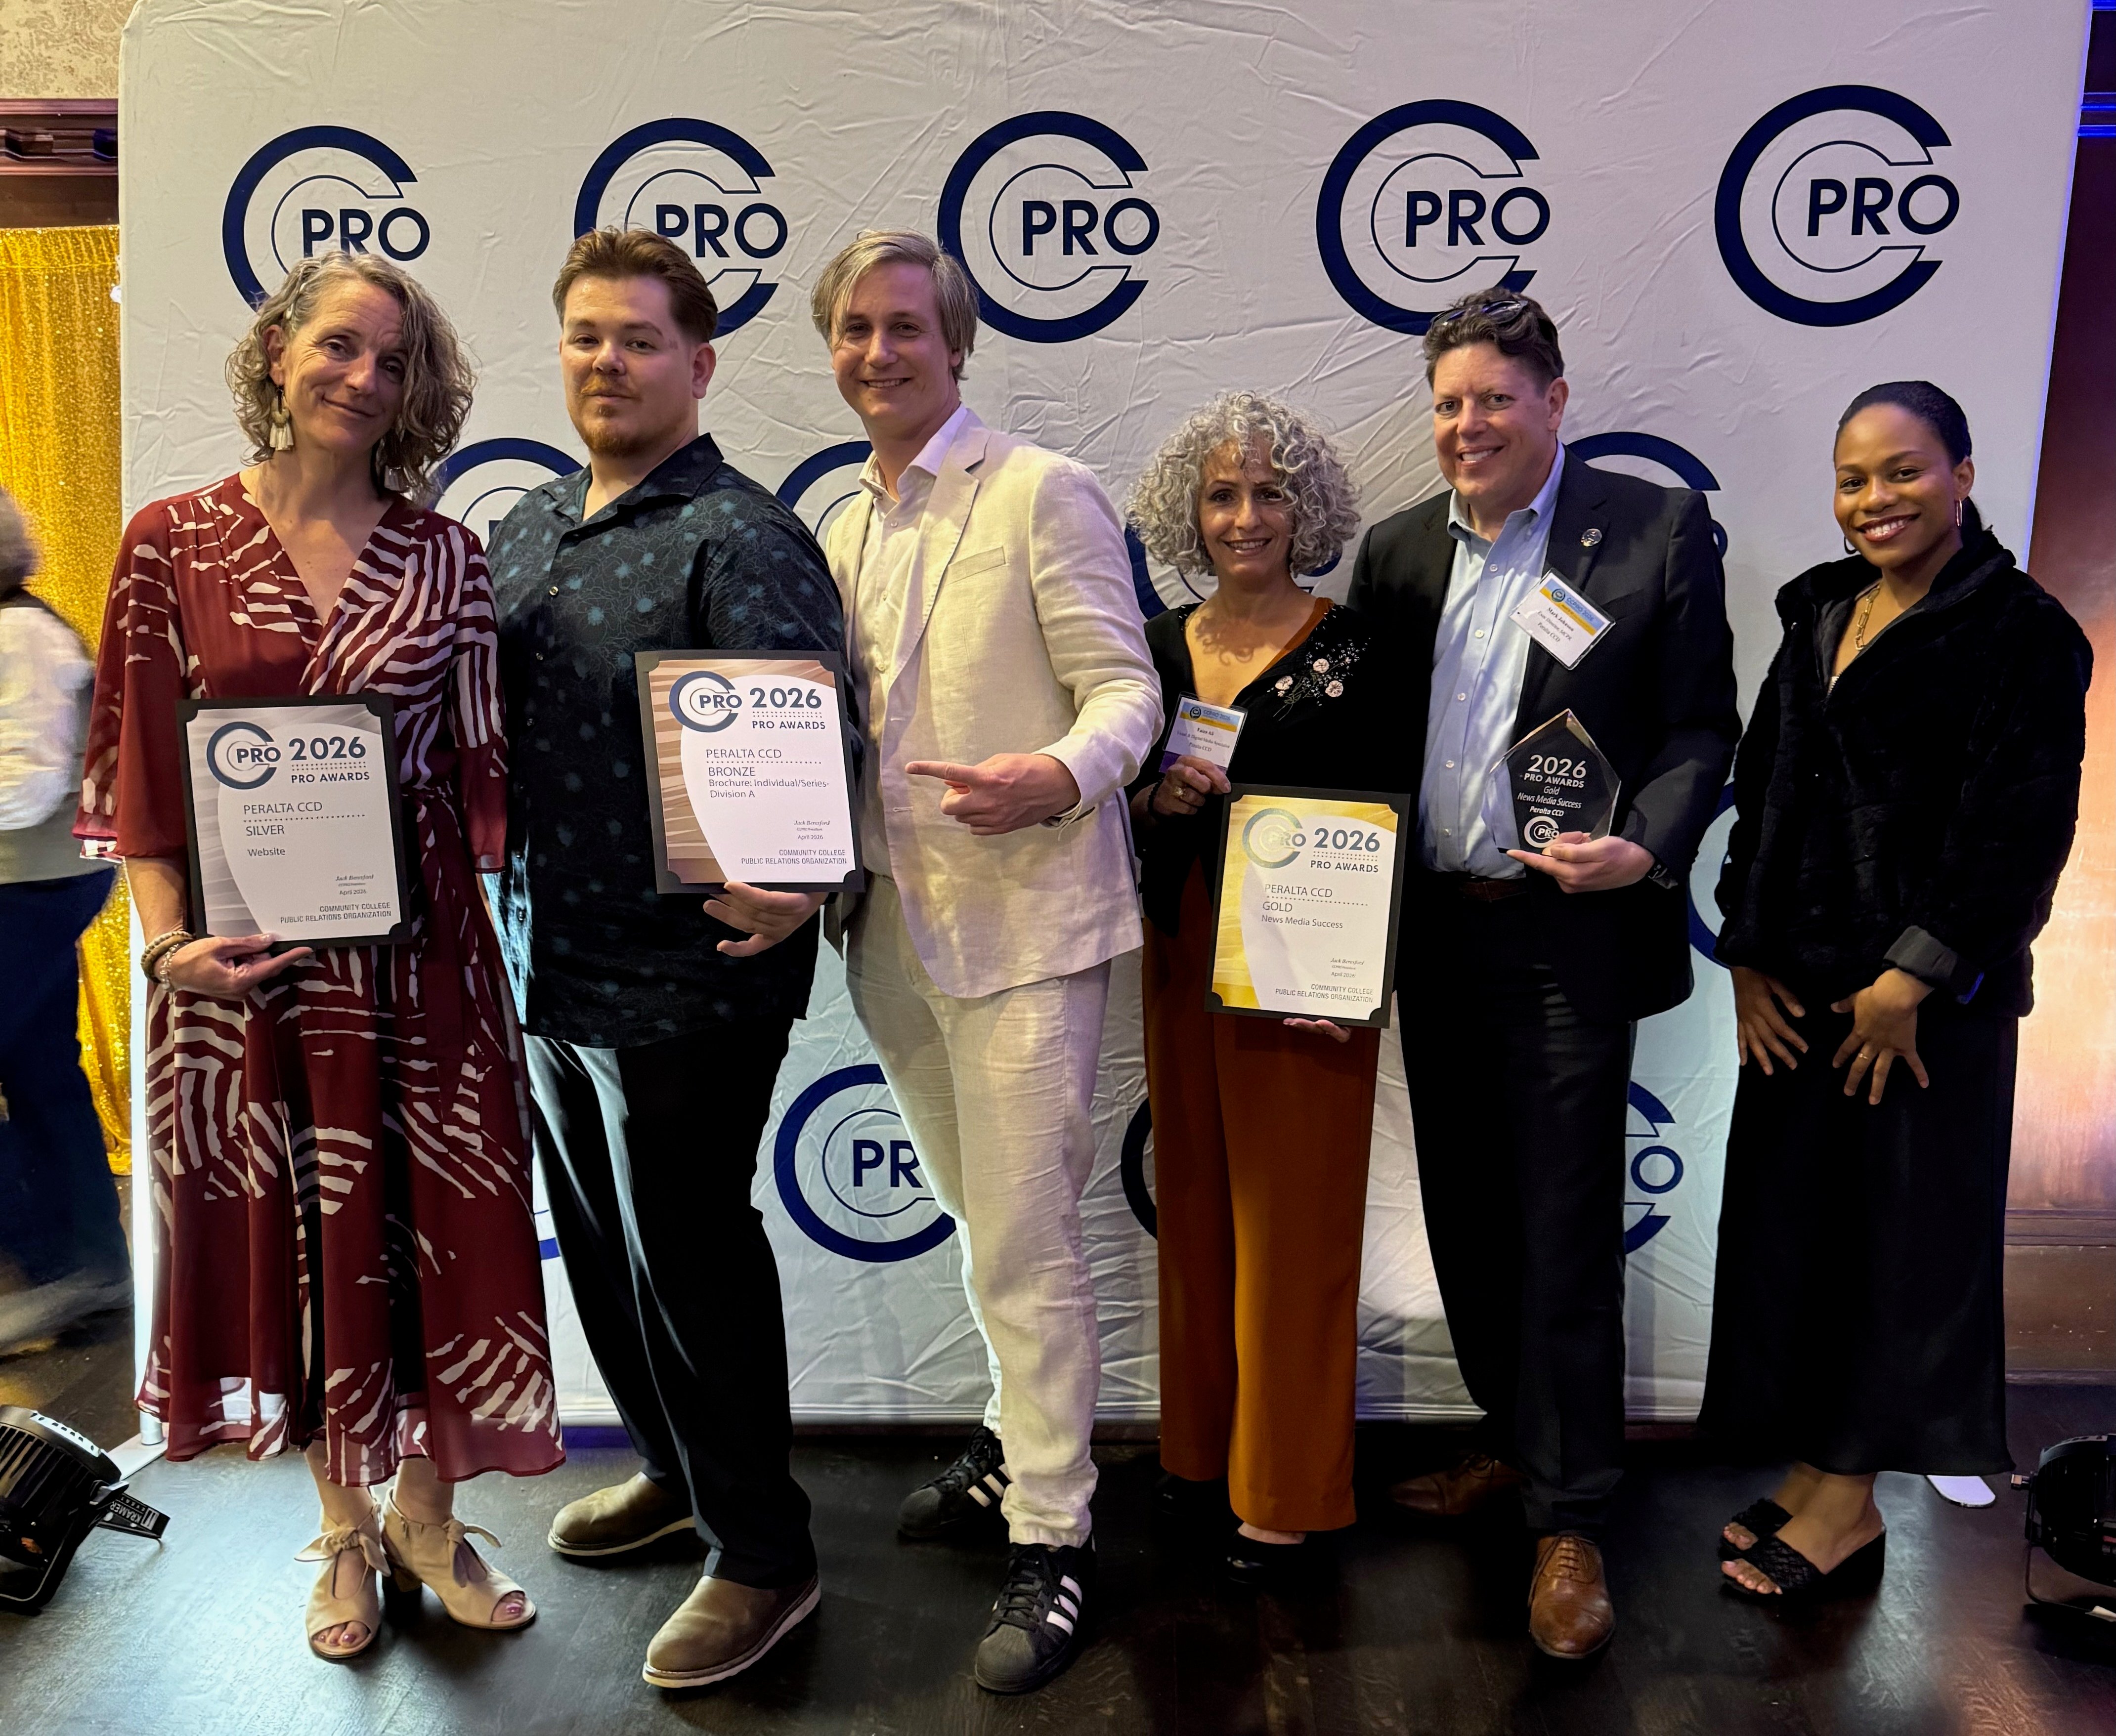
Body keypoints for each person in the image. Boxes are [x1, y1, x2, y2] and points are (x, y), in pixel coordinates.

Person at [73, 252, 560, 1661]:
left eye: (394, 362)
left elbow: (481, 776)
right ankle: (343, 1532)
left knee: (442, 1237)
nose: (363, 377)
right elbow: (137, 777)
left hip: (424, 969)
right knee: (299, 1242)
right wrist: (167, 948)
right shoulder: (170, 541)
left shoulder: (448, 554)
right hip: (243, 981)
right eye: (340, 345)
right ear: (278, 349)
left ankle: (430, 1519)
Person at [1344, 287, 1739, 1658]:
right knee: (1466, 1213)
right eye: (1448, 403)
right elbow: (1365, 741)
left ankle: (1572, 1518)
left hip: (1568, 931)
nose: (1467, 424)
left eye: (1494, 399)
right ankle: (1513, 1442)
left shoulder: (1650, 528)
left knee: (1564, 1223)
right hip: (1436, 933)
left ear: (1554, 402)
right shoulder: (1396, 550)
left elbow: (1700, 727)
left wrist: (1648, 845)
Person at [486, 228, 843, 1691]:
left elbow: (810, 733)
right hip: (545, 961)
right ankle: (677, 1471)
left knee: (691, 1251)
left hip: (691, 972)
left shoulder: (741, 536)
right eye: (587, 336)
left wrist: (801, 876)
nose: (608, 362)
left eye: (638, 340)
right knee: (603, 1249)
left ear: (697, 364)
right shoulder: (521, 525)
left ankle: (763, 1552)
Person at [809, 229, 1160, 1694]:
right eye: (854, 328)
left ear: (955, 345)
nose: (878, 351)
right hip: (888, 929)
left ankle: (1054, 1529)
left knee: (1025, 1241)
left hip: (1022, 925)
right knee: (979, 1223)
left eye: (905, 326)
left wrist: (1059, 775)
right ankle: (1022, 1443)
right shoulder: (838, 522)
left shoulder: (1041, 490)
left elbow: (1128, 690)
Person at [1704, 382, 2090, 1600]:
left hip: (1923, 1014)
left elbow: (2017, 832)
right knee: (1800, 1239)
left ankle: (1847, 1505)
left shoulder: (2022, 632)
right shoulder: (1821, 607)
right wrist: (1745, 951)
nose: (1874, 498)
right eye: (1853, 478)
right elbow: (1763, 787)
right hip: (1798, 987)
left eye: (1903, 471)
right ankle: (1816, 1466)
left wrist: (1910, 974)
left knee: (1897, 1250)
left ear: (1961, 475)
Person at [1124, 393, 1396, 1586]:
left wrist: (1352, 978)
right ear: (1189, 512)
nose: (1245, 516)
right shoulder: (1147, 643)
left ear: (1307, 509)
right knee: (1191, 1205)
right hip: (1181, 946)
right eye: (1222, 494)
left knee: (1294, 1227)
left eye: (1270, 492)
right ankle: (1199, 1453)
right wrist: (1154, 800)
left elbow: (1389, 817)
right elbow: (1117, 808)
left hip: (1306, 973)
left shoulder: (1359, 649)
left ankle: (1284, 1489)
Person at [0, 487, 128, 1355]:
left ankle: (47, 1268)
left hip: (30, 879)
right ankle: (86, 1270)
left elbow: (26, 782)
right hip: (35, 877)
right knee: (40, 1067)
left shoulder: (19, 633)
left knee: (37, 1067)